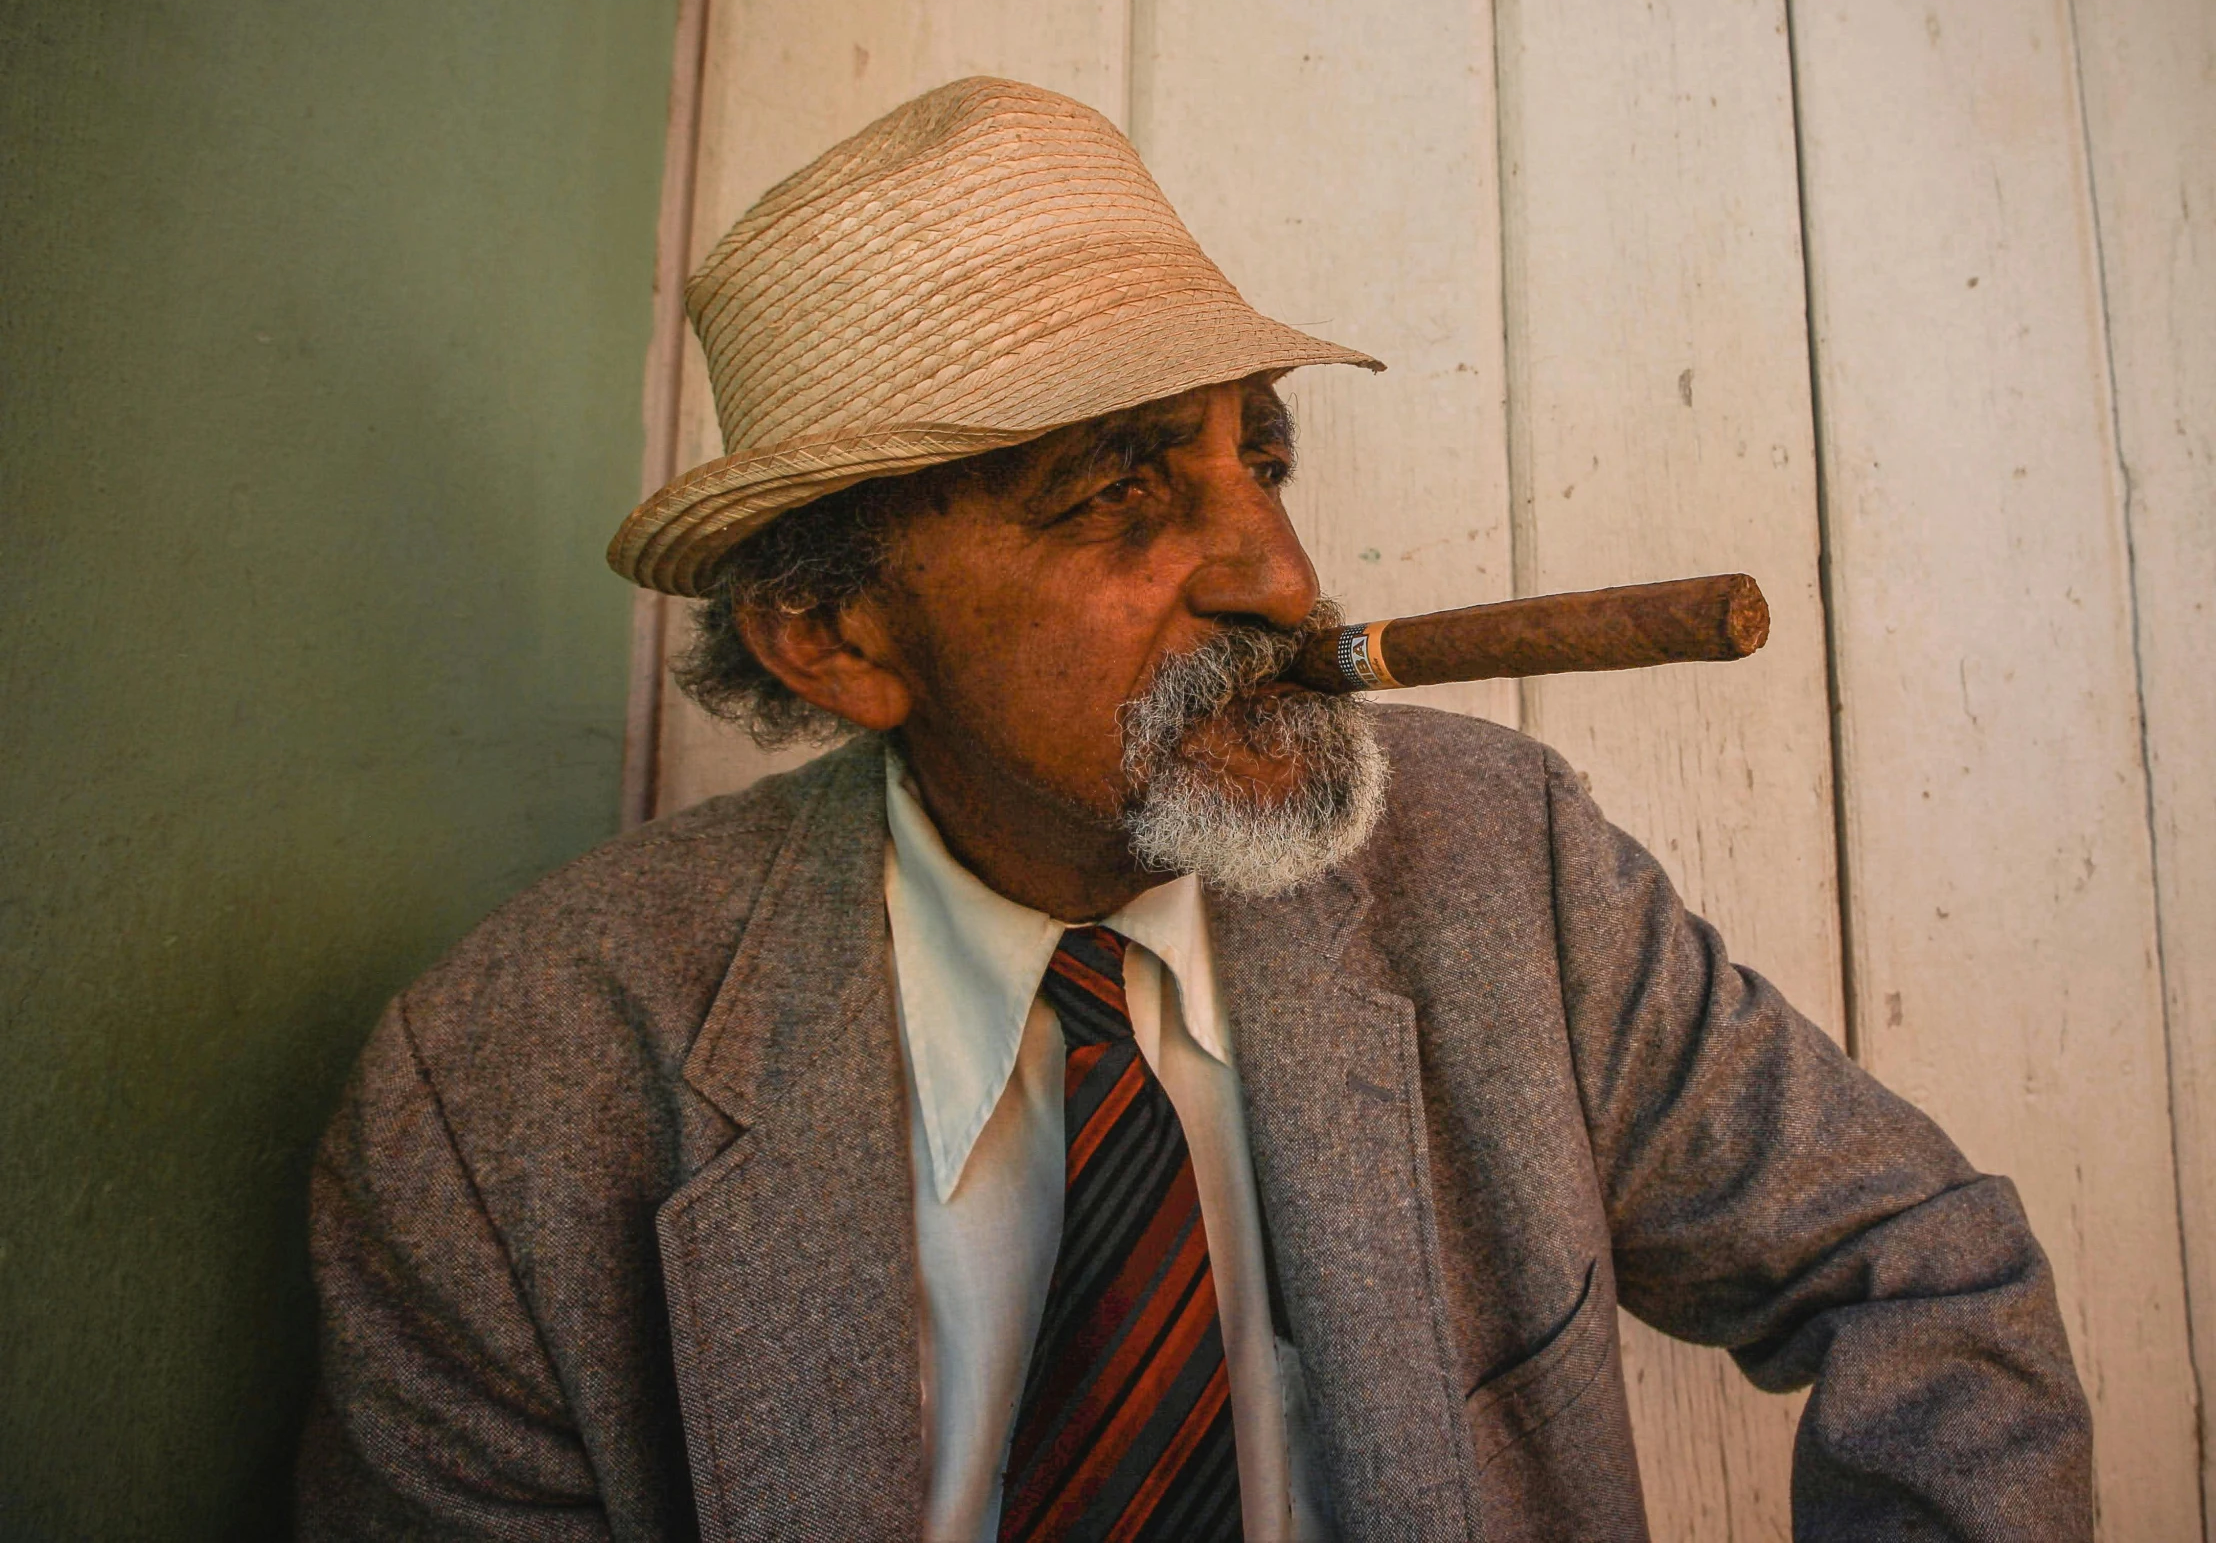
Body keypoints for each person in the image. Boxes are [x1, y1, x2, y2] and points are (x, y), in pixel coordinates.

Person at [297, 78, 2092, 1543]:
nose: (1284, 573)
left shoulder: (1505, 870)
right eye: (1123, 487)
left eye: (1265, 453)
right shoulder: (503, 1094)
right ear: (837, 633)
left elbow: (1928, 1276)